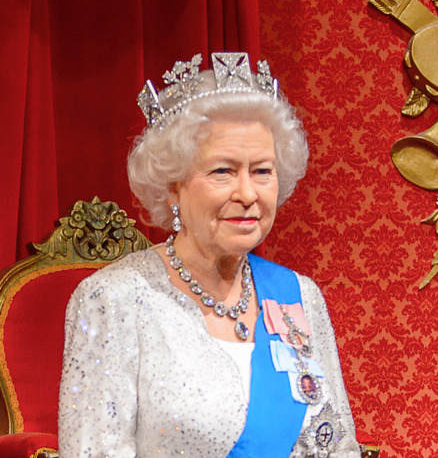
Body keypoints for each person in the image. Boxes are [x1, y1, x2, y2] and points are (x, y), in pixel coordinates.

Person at [58, 52, 359, 457]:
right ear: (173, 185)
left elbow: (338, 447)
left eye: (262, 171)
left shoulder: (299, 297)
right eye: (223, 171)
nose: (248, 194)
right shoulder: (115, 300)